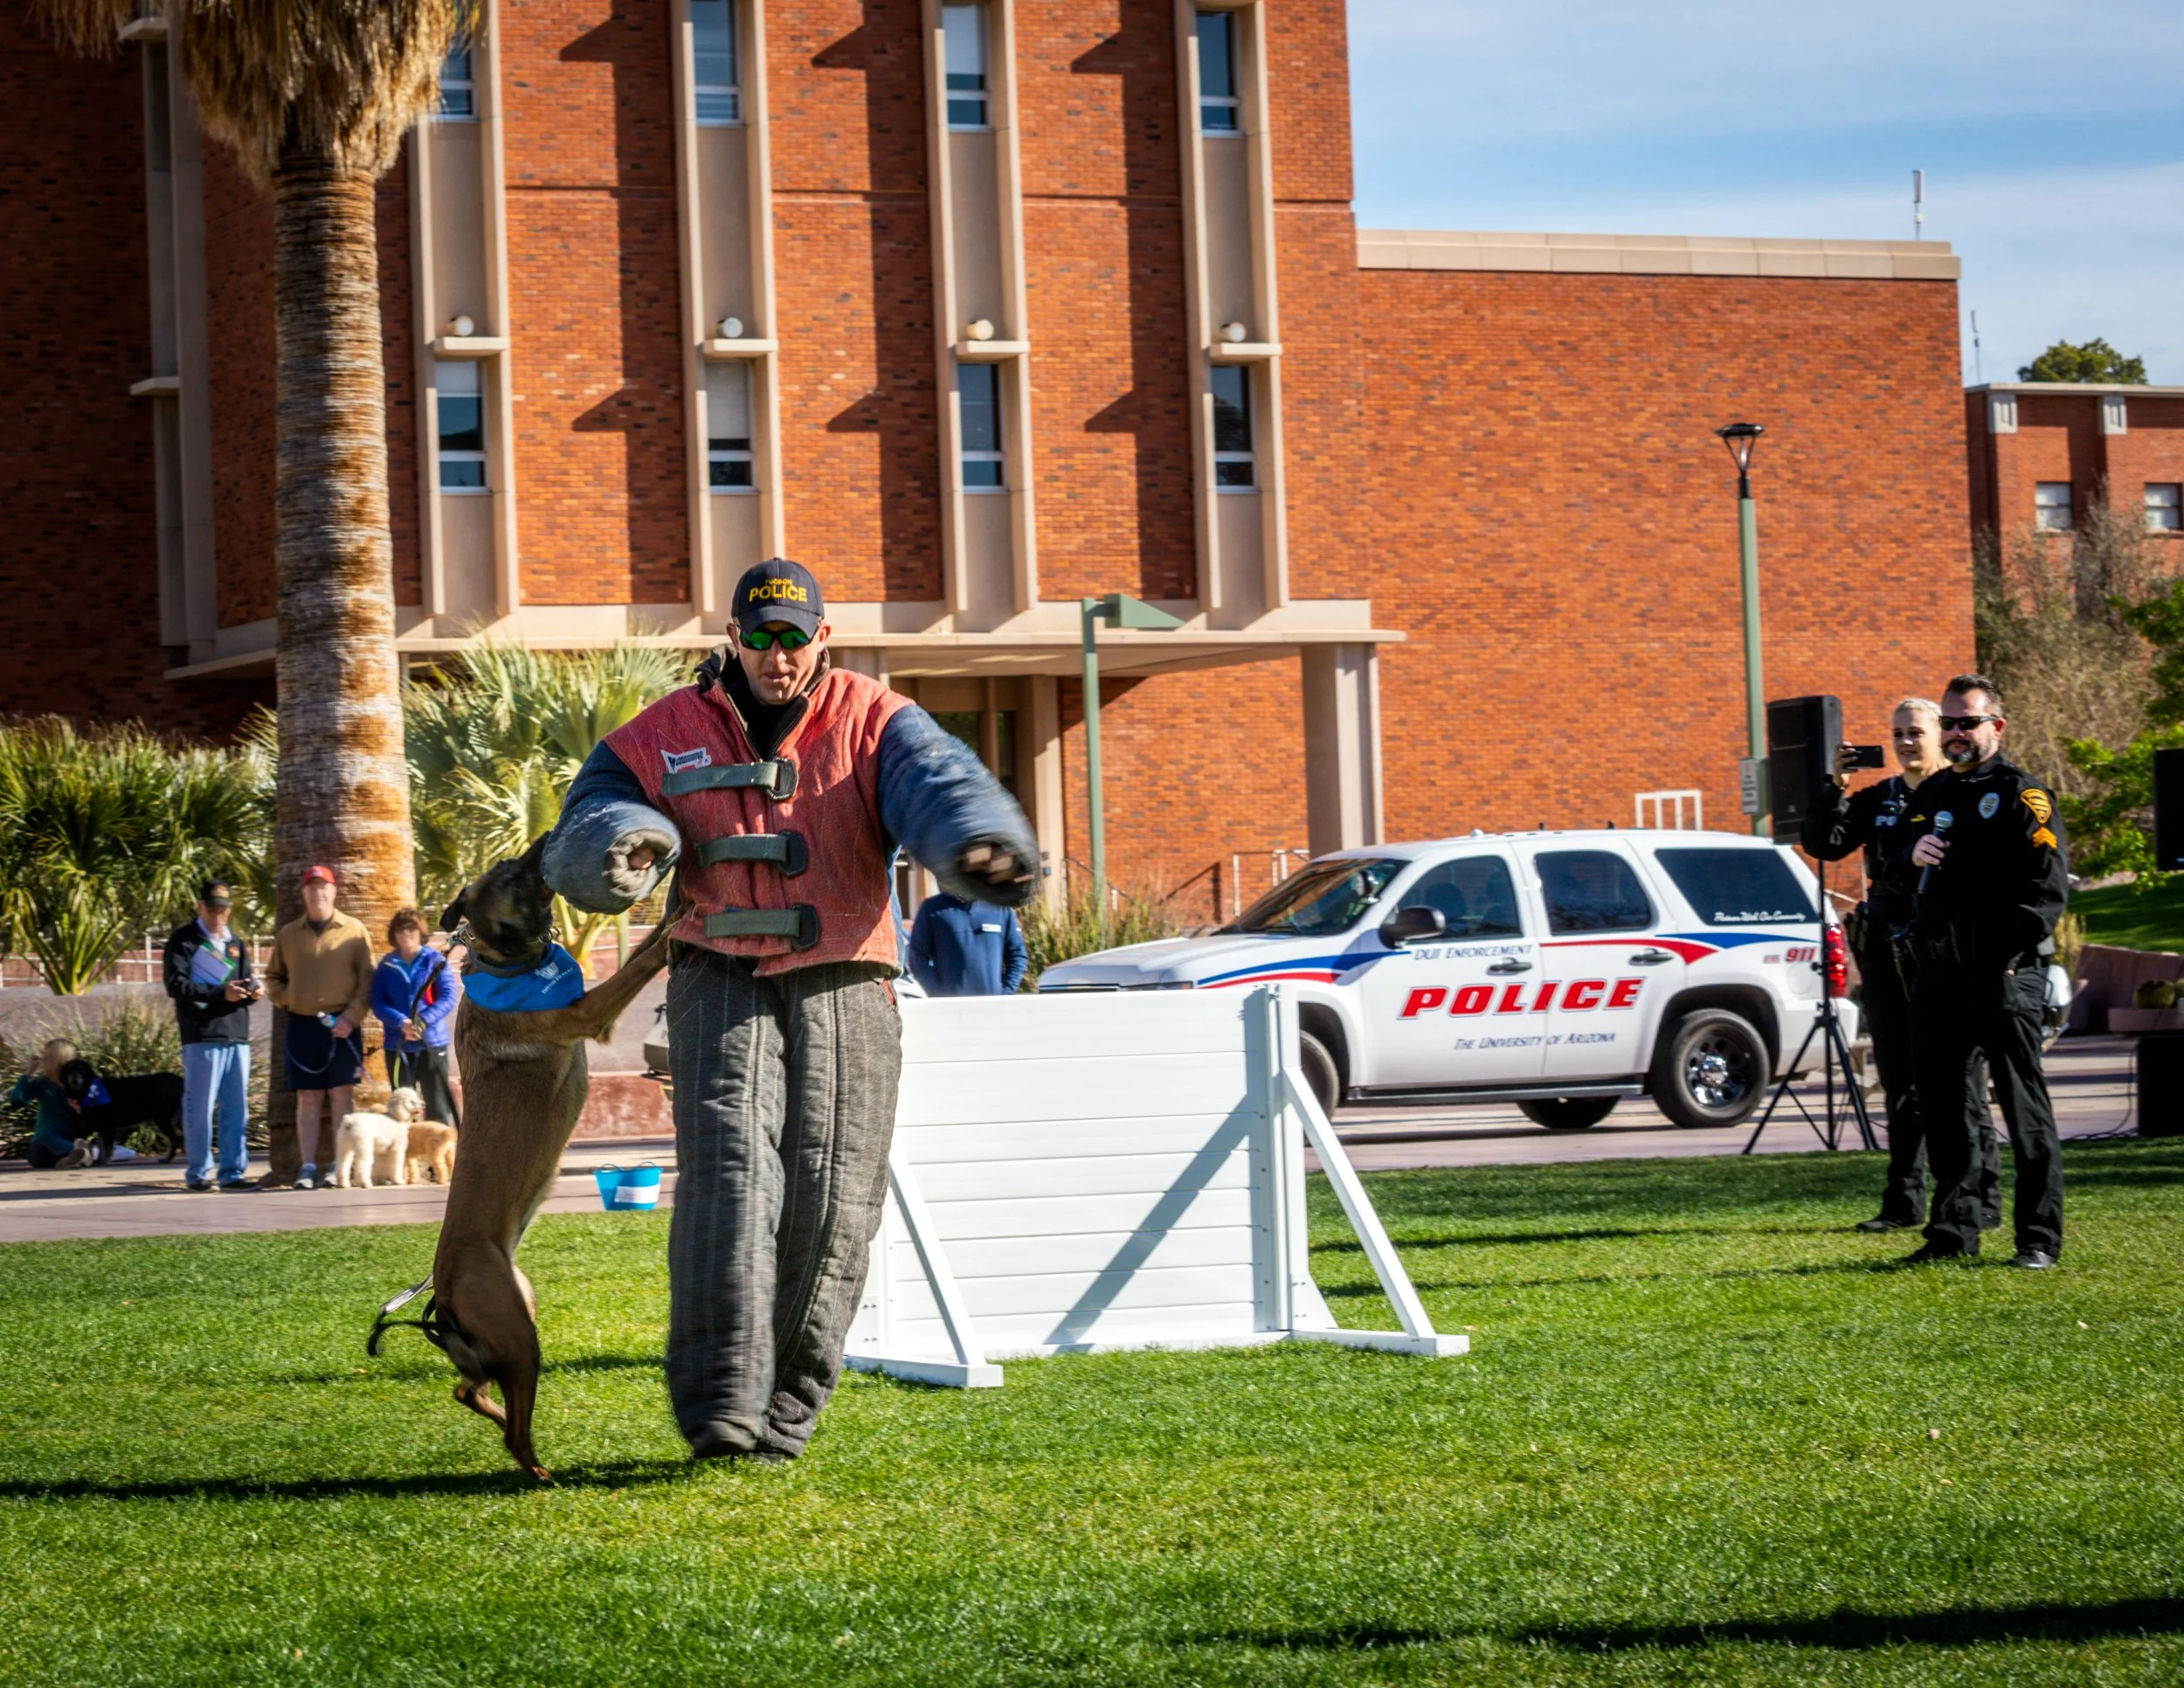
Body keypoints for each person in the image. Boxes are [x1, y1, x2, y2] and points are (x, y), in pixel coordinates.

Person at [545, 557, 1036, 1462]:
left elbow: (939, 788)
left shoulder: (877, 717)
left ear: (823, 635)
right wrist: (619, 840)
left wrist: (978, 845)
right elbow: (592, 811)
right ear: (732, 637)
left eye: (795, 637)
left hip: (846, 976)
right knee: (733, 1181)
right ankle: (721, 1407)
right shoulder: (663, 731)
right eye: (760, 637)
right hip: (716, 975)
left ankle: (784, 1417)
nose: (779, 655)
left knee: (834, 1197)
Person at [1882, 675, 2069, 1268]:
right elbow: (1890, 879)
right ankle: (1952, 1232)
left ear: (1997, 727)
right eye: (1950, 723)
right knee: (1946, 1109)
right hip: (1939, 977)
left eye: (1968, 722)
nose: (1956, 734)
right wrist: (1908, 860)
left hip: (2003, 975)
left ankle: (2038, 1240)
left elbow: (2045, 896)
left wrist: (2000, 956)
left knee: (2023, 1110)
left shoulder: (2024, 797)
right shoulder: (1932, 795)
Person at [1800, 700, 1997, 1234]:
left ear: (1940, 734)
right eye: (1897, 734)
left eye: (1916, 732)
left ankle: (1982, 1197)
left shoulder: (1965, 796)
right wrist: (1834, 785)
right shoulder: (1881, 798)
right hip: (1887, 950)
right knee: (1898, 1078)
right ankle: (1904, 1200)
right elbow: (1823, 842)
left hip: (1943, 948)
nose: (1906, 742)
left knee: (1961, 1079)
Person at [264, 865, 374, 1191]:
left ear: (334, 891)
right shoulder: (288, 934)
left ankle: (339, 1166)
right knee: (308, 1096)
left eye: (323, 887)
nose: (318, 892)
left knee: (341, 1096)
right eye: (312, 887)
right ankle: (308, 1167)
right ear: (304, 893)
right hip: (302, 1025)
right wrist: (289, 999)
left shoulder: (354, 931)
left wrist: (351, 1018)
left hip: (343, 1025)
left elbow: (367, 981)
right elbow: (273, 978)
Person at [162, 879, 260, 1191]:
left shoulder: (236, 944)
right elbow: (176, 986)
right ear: (200, 907)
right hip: (202, 1035)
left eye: (223, 909)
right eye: (213, 909)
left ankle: (232, 1172)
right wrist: (221, 993)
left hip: (236, 1035)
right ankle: (199, 1173)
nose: (219, 916)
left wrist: (253, 990)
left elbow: (245, 979)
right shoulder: (184, 941)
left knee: (236, 1108)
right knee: (200, 1108)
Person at [372, 907, 462, 1130]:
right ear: (394, 935)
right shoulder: (386, 966)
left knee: (437, 1104)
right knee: (401, 1108)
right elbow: (378, 1003)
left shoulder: (434, 961)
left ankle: (439, 1163)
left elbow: (449, 996)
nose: (406, 934)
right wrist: (401, 1023)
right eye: (401, 930)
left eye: (411, 929)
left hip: (431, 1043)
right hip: (398, 1045)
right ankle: (406, 1161)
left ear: (420, 931)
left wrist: (423, 1021)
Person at [907, 889, 1030, 997]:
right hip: (949, 1011)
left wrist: (1005, 992)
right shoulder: (932, 908)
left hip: (992, 1010)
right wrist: (937, 992)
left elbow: (1018, 956)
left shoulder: (1001, 909)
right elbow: (917, 956)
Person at [10, 1039, 91, 1170]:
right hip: (45, 1145)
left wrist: (80, 1111)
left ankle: (71, 1158)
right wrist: (27, 1074)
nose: (42, 1060)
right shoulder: (42, 1083)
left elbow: (93, 1118)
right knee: (41, 1142)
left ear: (59, 1059)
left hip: (71, 1139)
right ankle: (77, 1154)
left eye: (47, 1056)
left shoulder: (79, 1085)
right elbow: (17, 1101)